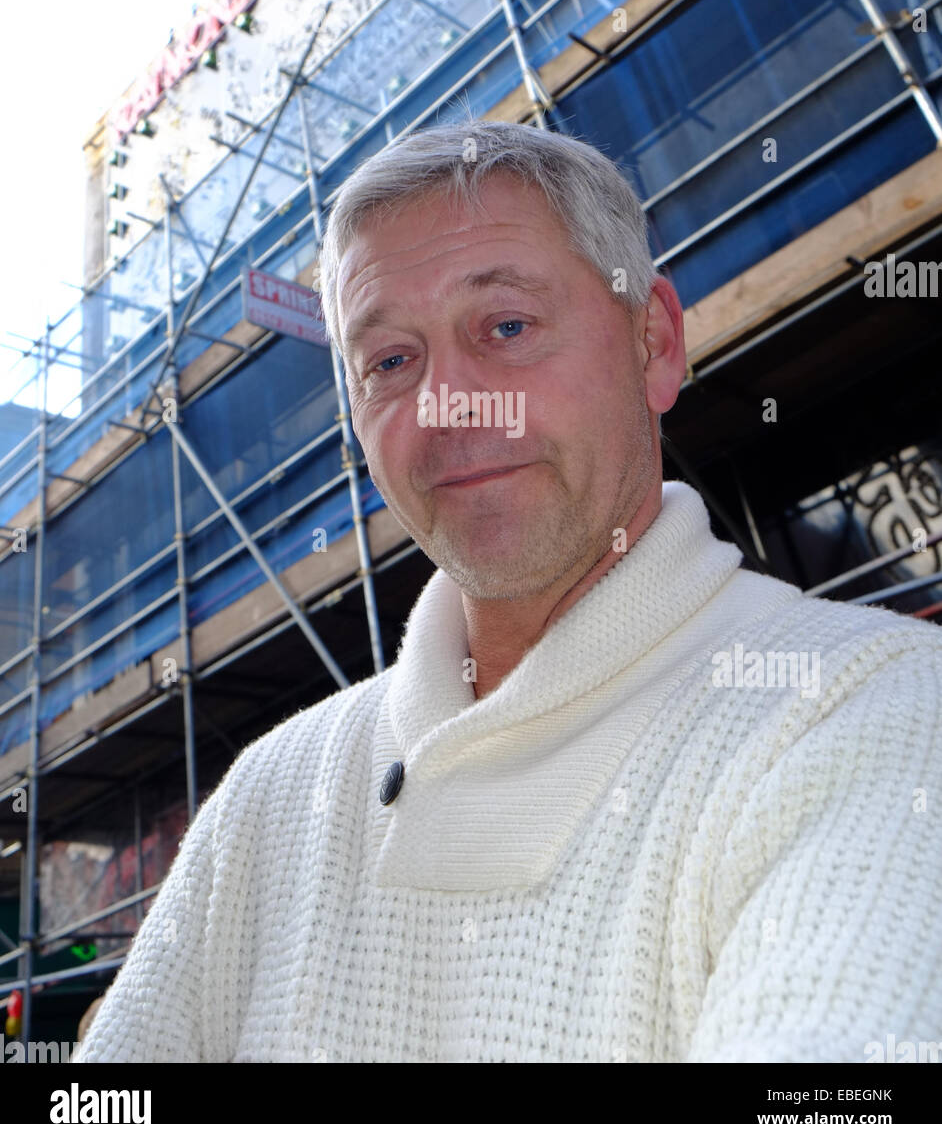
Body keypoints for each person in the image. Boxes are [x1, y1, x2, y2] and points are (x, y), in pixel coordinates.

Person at [76, 117, 942, 1062]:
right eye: (391, 362)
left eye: (508, 327)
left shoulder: (878, 711)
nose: (450, 407)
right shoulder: (266, 800)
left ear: (653, 343)